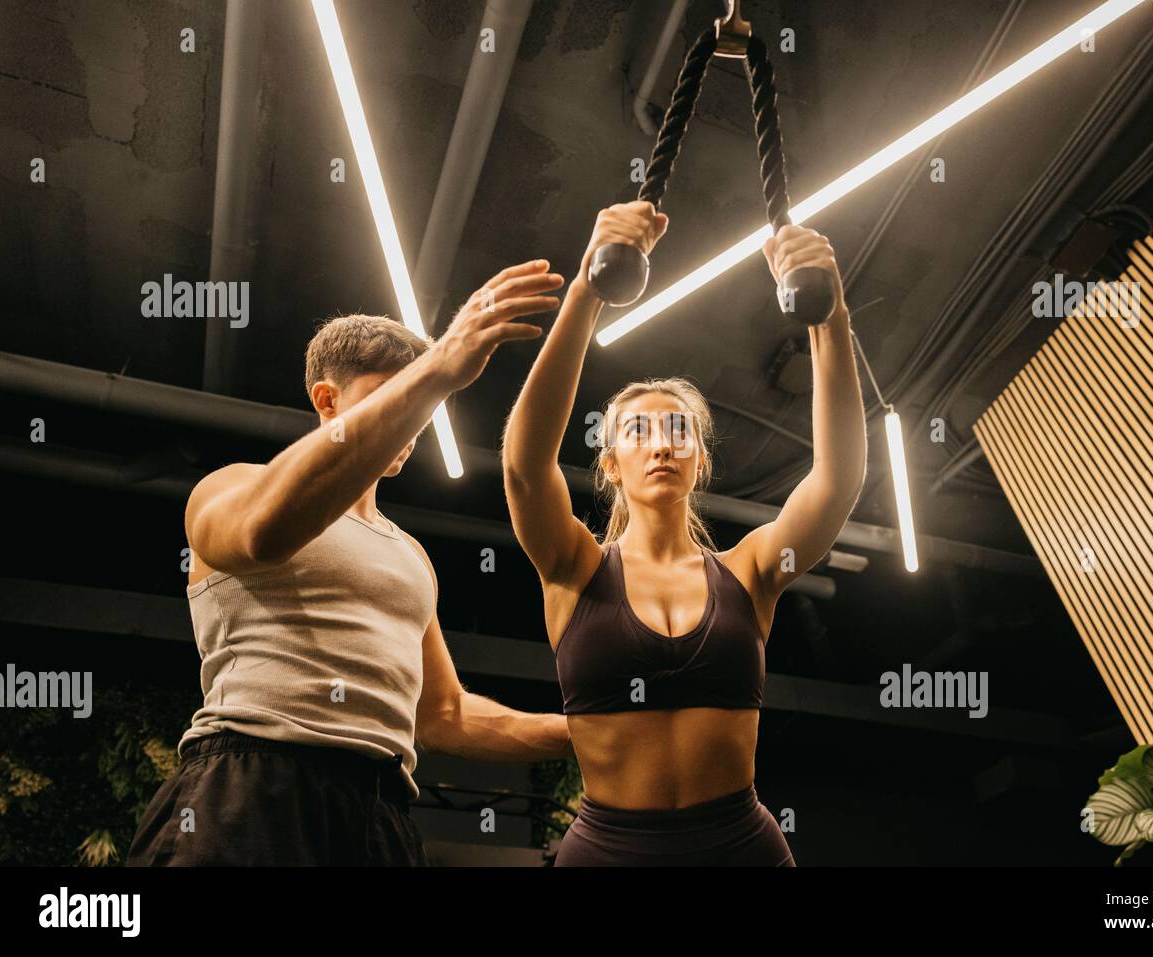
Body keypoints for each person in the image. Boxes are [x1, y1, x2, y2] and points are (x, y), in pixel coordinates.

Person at [127, 261, 572, 866]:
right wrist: (438, 370)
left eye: (419, 403)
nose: (412, 419)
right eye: (392, 395)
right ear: (327, 399)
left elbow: (443, 715)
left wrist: (587, 732)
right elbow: (264, 535)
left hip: (380, 812)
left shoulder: (409, 553)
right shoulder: (233, 486)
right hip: (249, 785)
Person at [501, 203, 867, 865]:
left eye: (679, 431)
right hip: (608, 850)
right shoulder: (573, 566)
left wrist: (832, 317)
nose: (661, 444)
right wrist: (586, 288)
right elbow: (525, 465)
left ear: (700, 459)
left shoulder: (750, 568)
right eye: (637, 431)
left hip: (740, 848)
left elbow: (837, 479)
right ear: (610, 464)